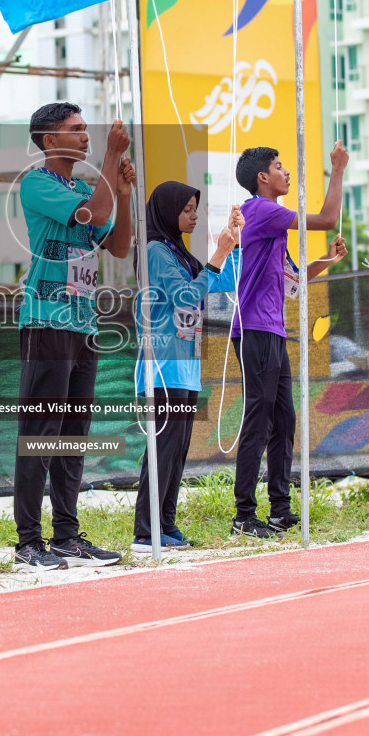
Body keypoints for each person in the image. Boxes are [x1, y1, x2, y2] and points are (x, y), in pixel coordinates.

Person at [13, 103, 133, 570]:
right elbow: (93, 212)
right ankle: (28, 541)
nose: (85, 136)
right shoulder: (37, 183)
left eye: (88, 130)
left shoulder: (85, 187)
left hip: (83, 323)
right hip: (46, 320)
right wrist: (109, 159)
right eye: (76, 130)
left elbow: (119, 244)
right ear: (48, 140)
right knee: (40, 434)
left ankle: (66, 535)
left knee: (72, 434)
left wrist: (121, 191)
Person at [223, 142, 349, 539]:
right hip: (254, 330)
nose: (286, 172)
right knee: (258, 421)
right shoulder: (261, 210)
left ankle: (280, 508)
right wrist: (338, 169)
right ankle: (244, 514)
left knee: (283, 420)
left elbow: (293, 283)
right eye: (279, 167)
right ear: (263, 177)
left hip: (272, 331)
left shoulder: (272, 225)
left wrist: (326, 261)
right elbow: (328, 218)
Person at [130, 186, 244, 553]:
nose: (194, 215)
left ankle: (165, 523)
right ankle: (146, 531)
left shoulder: (180, 255)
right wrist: (218, 254)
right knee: (161, 450)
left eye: (196, 209)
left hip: (185, 370)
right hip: (161, 369)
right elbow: (184, 295)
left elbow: (223, 281)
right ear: (167, 211)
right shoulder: (155, 252)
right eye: (187, 209)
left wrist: (235, 246)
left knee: (176, 453)